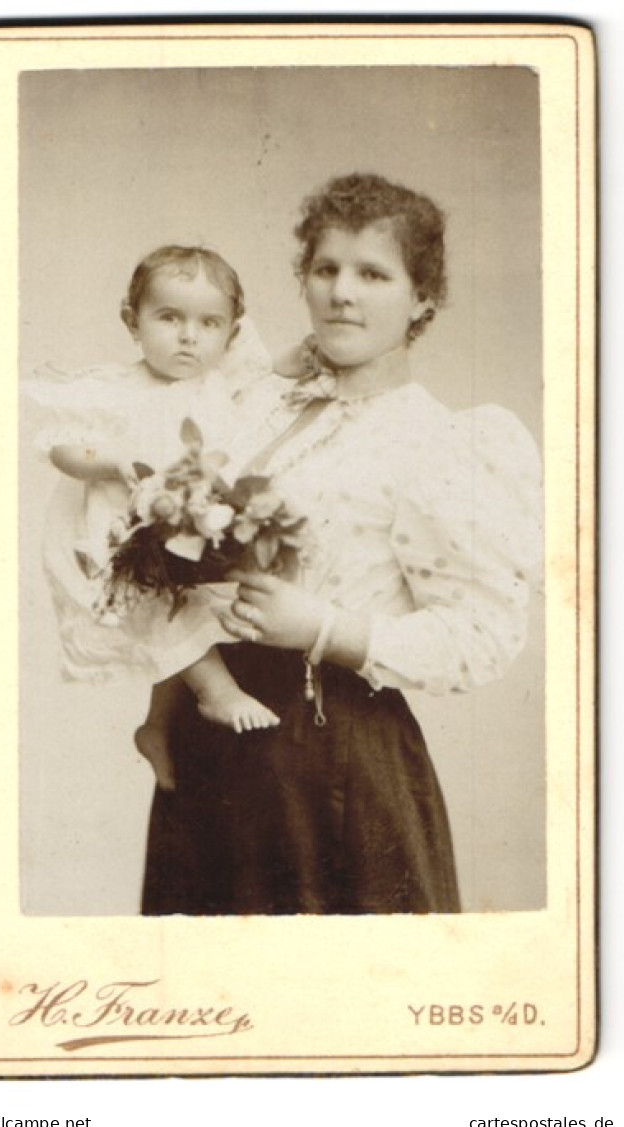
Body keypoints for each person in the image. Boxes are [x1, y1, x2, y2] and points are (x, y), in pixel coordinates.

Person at [140, 173, 542, 916]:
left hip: (333, 757)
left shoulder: (440, 441)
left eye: (373, 274)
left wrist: (323, 627)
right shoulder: (258, 404)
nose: (342, 293)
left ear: (422, 298)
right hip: (213, 746)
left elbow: (481, 635)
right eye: (325, 269)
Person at [24, 245, 279, 791]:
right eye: (169, 318)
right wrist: (116, 461)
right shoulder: (115, 389)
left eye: (208, 323)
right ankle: (217, 693)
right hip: (120, 534)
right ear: (132, 322)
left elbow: (276, 377)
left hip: (190, 526)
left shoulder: (220, 384)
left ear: (231, 334)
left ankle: (157, 726)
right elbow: (62, 449)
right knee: (163, 606)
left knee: (186, 613)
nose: (189, 336)